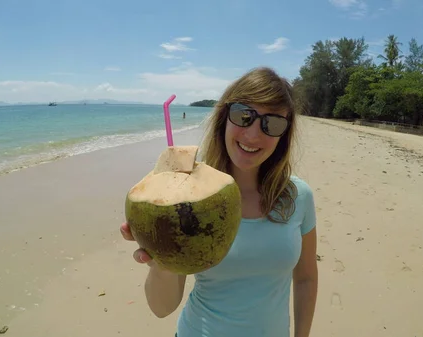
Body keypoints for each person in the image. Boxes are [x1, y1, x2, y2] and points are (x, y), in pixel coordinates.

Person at [120, 67, 318, 337]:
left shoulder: (298, 197)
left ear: (284, 134)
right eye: (243, 115)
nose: (253, 135)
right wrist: (160, 263)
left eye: (272, 123)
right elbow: (161, 308)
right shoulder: (189, 201)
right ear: (224, 117)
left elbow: (306, 278)